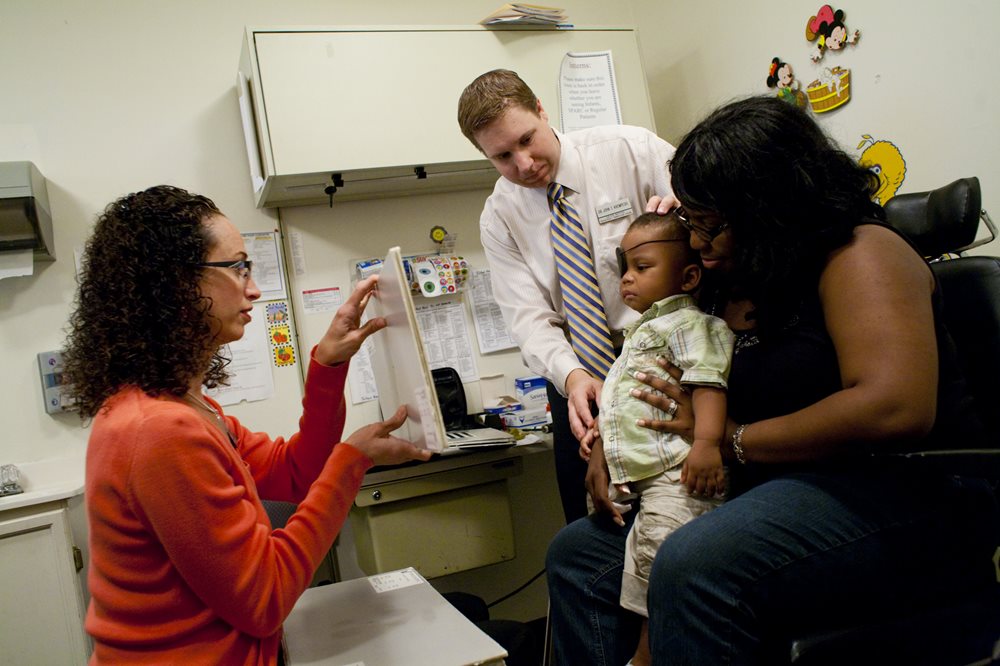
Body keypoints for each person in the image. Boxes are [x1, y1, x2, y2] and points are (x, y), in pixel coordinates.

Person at [545, 96, 1000, 664]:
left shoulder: (861, 254)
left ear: (771, 207)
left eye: (713, 222)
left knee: (694, 563)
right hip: (778, 484)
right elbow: (656, 370)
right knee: (580, 553)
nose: (699, 239)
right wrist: (611, 449)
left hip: (904, 492)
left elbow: (893, 408)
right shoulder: (732, 274)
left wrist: (733, 440)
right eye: (693, 219)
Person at [62, 185, 431, 664]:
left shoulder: (184, 408)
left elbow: (296, 475)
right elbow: (265, 600)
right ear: (176, 283)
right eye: (236, 267)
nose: (253, 287)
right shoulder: (158, 431)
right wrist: (352, 461)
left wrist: (328, 364)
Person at [457, 68, 676, 523]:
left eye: (526, 139)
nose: (523, 164)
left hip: (666, 357)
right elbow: (529, 318)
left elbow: (708, 214)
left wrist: (685, 209)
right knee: (595, 520)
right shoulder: (499, 215)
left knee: (674, 505)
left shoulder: (631, 150)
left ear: (542, 110)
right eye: (501, 156)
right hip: (579, 376)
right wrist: (573, 378)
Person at [581, 211, 734, 666]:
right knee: (628, 549)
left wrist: (707, 444)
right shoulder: (642, 331)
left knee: (659, 554)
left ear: (688, 276)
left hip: (678, 471)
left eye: (642, 267)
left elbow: (709, 382)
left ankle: (647, 654)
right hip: (644, 471)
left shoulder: (689, 326)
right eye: (625, 268)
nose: (627, 280)